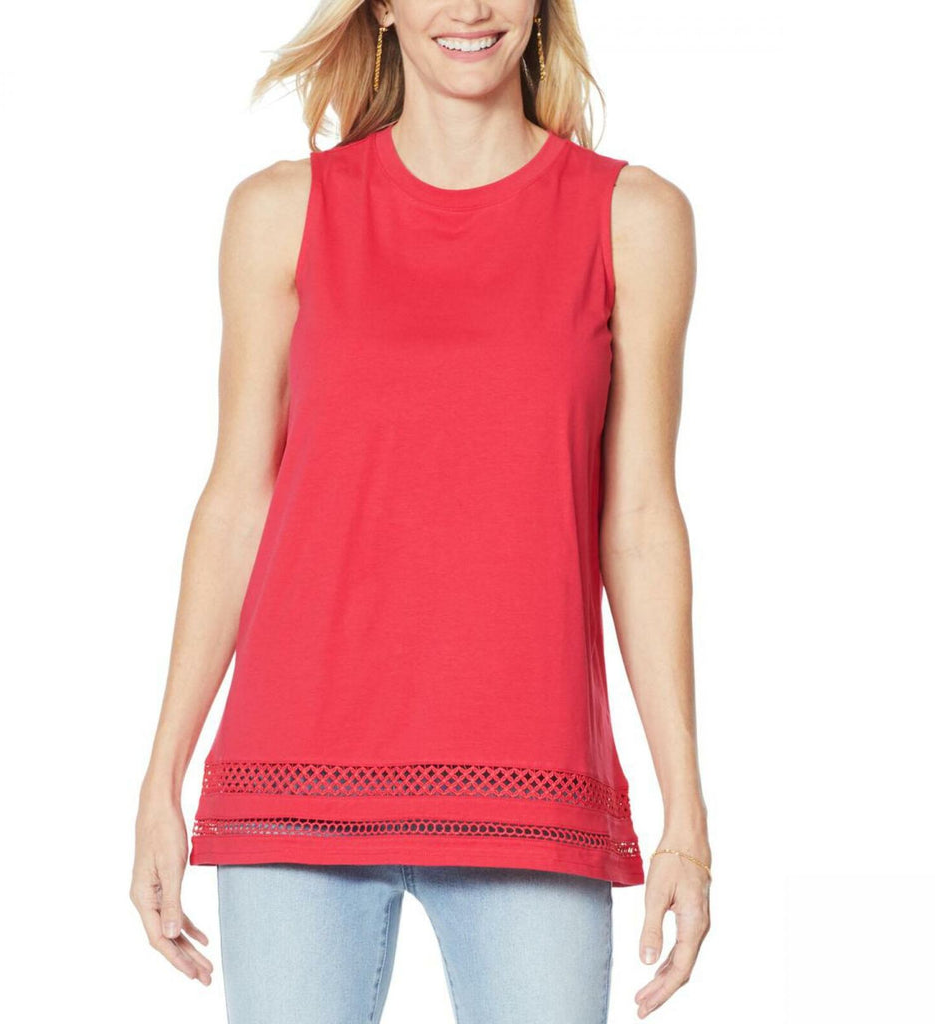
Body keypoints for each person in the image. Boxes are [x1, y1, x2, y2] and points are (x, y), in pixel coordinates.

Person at [130, 1, 711, 1020]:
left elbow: (640, 523)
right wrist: (161, 779)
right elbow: (236, 503)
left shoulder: (633, 217)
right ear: (384, 7)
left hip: (530, 785)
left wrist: (685, 816)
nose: (470, 9)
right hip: (293, 781)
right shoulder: (281, 211)